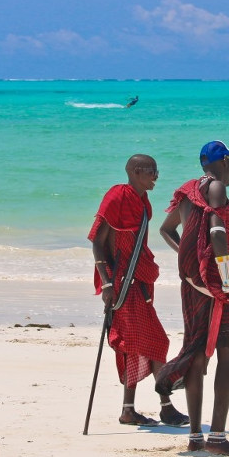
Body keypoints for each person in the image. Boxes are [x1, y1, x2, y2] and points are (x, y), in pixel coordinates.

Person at [155, 141, 229, 456]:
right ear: (223, 162)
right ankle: (218, 438)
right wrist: (227, 282)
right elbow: (218, 235)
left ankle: (196, 437)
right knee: (228, 355)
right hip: (215, 284)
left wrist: (189, 256)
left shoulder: (186, 193)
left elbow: (166, 230)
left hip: (191, 283)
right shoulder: (218, 187)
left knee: (196, 353)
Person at [89, 154, 188, 428]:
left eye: (157, 170)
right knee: (156, 341)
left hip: (139, 282)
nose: (156, 176)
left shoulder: (143, 201)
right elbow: (98, 242)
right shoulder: (116, 196)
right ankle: (166, 406)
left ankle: (128, 410)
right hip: (122, 284)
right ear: (135, 171)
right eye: (152, 171)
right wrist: (107, 283)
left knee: (136, 345)